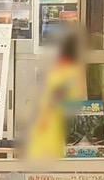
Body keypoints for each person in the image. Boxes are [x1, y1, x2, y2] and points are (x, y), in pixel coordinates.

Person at [27, 26, 90, 159]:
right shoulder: (73, 72)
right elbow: (59, 98)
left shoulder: (57, 70)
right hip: (58, 128)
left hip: (48, 127)